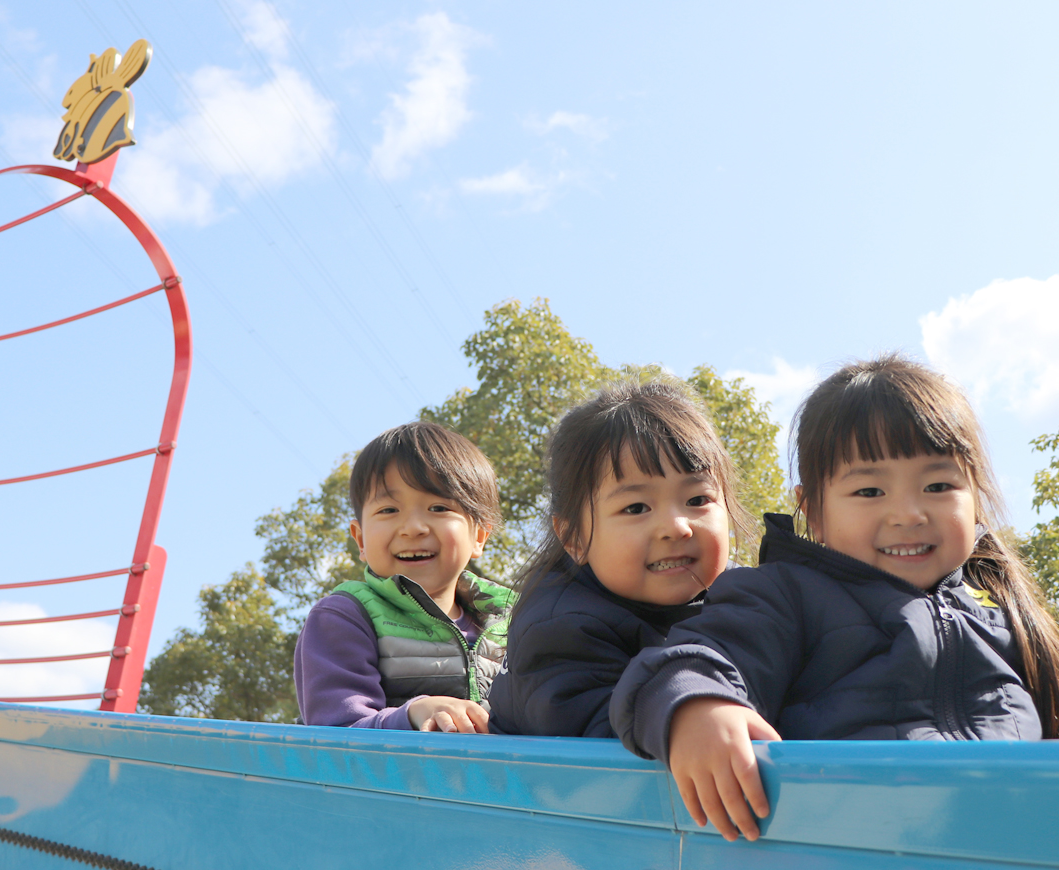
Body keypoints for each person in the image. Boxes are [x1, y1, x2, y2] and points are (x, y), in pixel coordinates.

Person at [610, 355, 1059, 843]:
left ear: (975, 497)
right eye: (869, 491)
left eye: (938, 486)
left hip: (1011, 844)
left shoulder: (1002, 615)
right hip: (859, 846)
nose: (908, 513)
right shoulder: (785, 596)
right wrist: (696, 707)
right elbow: (693, 658)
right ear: (813, 512)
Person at [488, 379, 755, 737]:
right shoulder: (560, 630)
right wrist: (683, 716)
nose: (677, 527)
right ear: (574, 538)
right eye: (636, 508)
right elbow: (597, 728)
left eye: (697, 500)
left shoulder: (748, 598)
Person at [294, 421, 513, 733]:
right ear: (360, 539)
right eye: (388, 510)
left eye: (438, 507)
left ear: (479, 536)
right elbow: (337, 735)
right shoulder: (344, 618)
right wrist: (413, 715)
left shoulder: (516, 622)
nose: (413, 528)